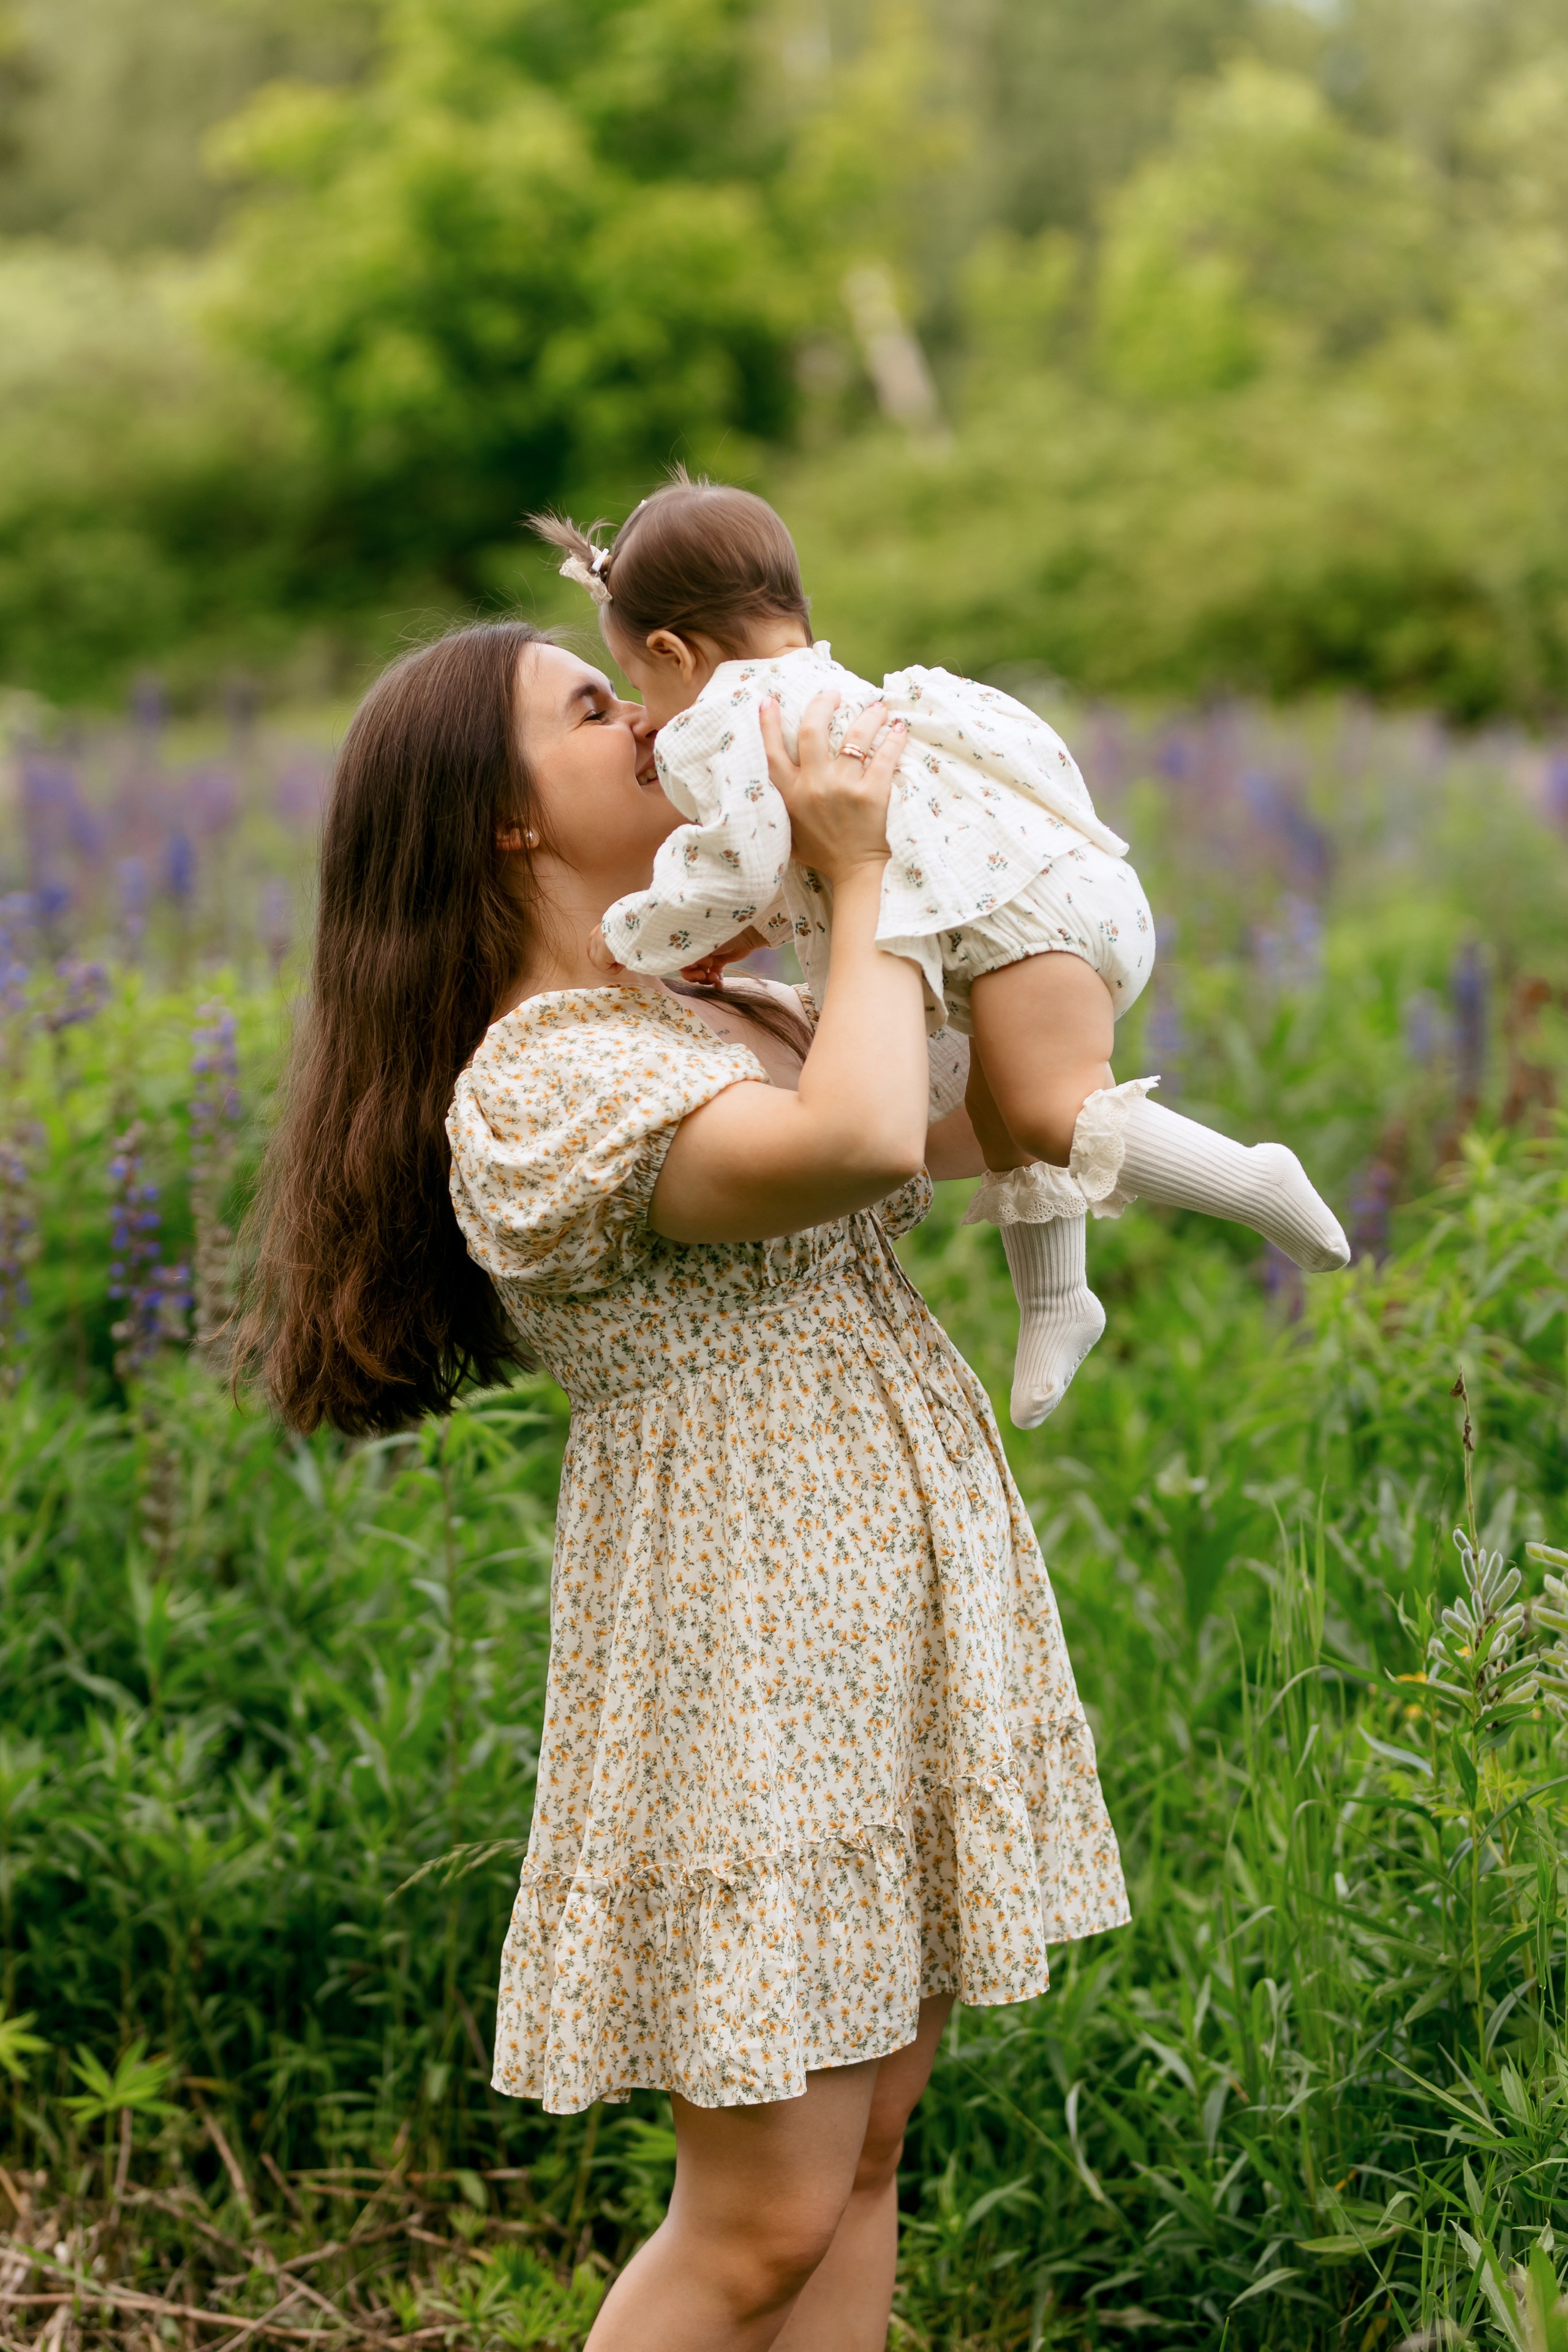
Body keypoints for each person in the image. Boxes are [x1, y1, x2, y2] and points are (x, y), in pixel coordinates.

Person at [239, 618, 1129, 2352]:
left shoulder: (710, 999)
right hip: (748, 1643)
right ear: (503, 820)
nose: (652, 717)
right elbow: (859, 1141)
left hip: (890, 1593)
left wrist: (1000, 861)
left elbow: (989, 1123)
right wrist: (862, 869)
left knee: (866, 2158)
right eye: (595, 707)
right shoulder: (535, 1084)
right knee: (759, 2222)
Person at [535, 474, 1350, 1431]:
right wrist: (746, 939)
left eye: (637, 685)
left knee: (1050, 1110)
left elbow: (735, 861)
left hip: (1008, 921)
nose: (644, 715)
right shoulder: (832, 693)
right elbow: (803, 867)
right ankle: (1056, 1301)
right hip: (1044, 893)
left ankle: (1255, 1182)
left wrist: (640, 932)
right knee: (1004, 1110)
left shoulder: (724, 722)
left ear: (673, 652)